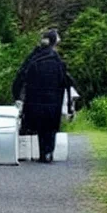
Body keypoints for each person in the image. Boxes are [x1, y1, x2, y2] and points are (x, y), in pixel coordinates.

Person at [12, 29, 77, 163]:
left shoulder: (34, 58)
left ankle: (40, 152)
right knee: (50, 128)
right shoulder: (57, 61)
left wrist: (17, 96)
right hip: (53, 101)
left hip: (34, 100)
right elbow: (67, 81)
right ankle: (48, 152)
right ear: (54, 43)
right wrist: (70, 106)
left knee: (39, 127)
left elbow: (20, 76)